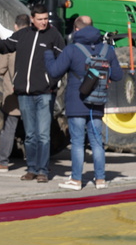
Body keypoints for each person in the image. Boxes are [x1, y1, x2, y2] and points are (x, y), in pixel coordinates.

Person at [0, 4, 65, 183]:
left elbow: (63, 61)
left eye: (46, 19)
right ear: (32, 19)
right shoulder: (23, 35)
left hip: (45, 93)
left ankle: (43, 170)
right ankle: (32, 169)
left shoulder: (54, 36)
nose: (44, 22)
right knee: (30, 135)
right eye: (40, 19)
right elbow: (7, 45)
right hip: (24, 94)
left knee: (43, 134)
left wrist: (52, 82)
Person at [45, 16, 124, 190]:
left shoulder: (72, 49)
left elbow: (54, 72)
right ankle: (101, 179)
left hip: (76, 101)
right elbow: (118, 76)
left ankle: (76, 180)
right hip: (97, 102)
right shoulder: (107, 50)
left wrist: (49, 54)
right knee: (97, 142)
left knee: (78, 143)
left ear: (76, 29)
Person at [0, 14, 30, 175]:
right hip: (33, 91)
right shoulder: (34, 41)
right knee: (33, 129)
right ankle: (36, 163)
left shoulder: (12, 43)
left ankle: (2, 161)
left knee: (9, 126)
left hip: (13, 91)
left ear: (16, 26)